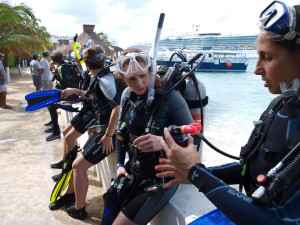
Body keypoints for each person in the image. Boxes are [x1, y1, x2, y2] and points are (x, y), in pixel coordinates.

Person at [156, 2, 300, 225]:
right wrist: (193, 172)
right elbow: (247, 168)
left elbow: (277, 221)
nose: (256, 69)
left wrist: (198, 174)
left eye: (268, 57)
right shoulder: (279, 106)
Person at [111, 48, 200, 225]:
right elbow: (120, 133)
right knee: (110, 208)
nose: (139, 83)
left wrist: (162, 142)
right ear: (122, 78)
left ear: (151, 70)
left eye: (143, 75)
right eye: (131, 79)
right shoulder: (126, 96)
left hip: (163, 175)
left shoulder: (170, 98)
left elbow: (195, 137)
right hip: (133, 169)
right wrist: (120, 164)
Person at [49, 46, 121, 221]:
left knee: (78, 167)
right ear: (103, 61)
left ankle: (79, 209)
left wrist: (109, 136)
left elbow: (117, 108)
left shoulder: (104, 80)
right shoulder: (101, 78)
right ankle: (71, 195)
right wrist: (76, 91)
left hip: (108, 133)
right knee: (76, 163)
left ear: (86, 64)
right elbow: (94, 97)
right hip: (101, 128)